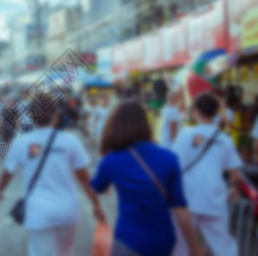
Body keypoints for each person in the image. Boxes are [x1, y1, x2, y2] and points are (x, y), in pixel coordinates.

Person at [0, 93, 105, 256]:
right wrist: (96, 205)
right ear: (55, 113)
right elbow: (84, 179)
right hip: (68, 211)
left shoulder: (22, 142)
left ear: (30, 115)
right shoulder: (70, 141)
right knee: (65, 253)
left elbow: (7, 172)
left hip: (38, 213)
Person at [91, 99, 204, 256]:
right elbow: (180, 208)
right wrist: (194, 246)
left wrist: (96, 204)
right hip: (162, 242)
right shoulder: (169, 158)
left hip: (128, 240)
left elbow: (96, 187)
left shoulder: (111, 161)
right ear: (146, 124)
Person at [172, 92, 242, 256]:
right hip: (215, 199)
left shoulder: (185, 135)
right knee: (223, 244)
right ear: (215, 112)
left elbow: (174, 167)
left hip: (187, 199)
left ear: (195, 111)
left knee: (180, 244)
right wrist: (235, 188)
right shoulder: (225, 139)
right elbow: (235, 174)